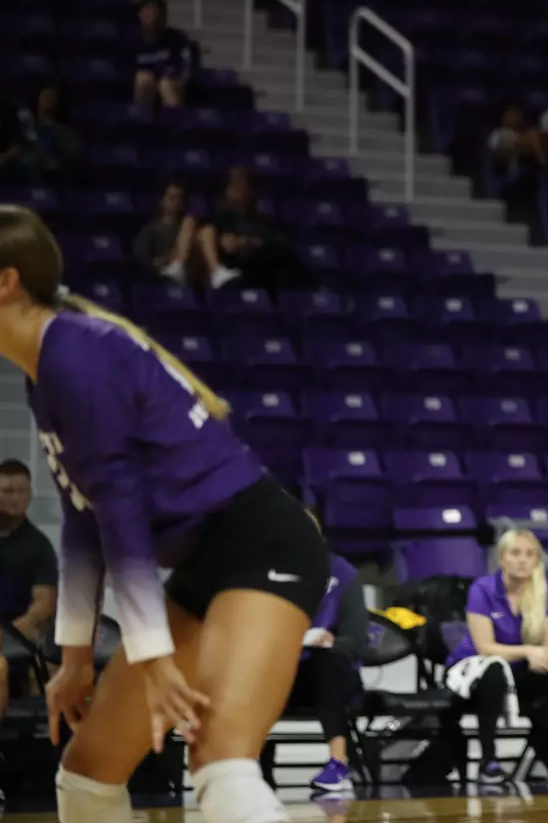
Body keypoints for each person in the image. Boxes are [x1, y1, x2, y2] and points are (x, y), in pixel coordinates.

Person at [0, 205, 331, 823]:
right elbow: (84, 519)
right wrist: (74, 659)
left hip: (263, 546)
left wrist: (153, 659)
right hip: (203, 564)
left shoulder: (77, 356)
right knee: (86, 772)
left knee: (221, 766)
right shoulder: (45, 368)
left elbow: (121, 511)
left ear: (6, 281)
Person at [444, 527, 548, 783]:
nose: (522, 560)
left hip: (520, 668)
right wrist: (528, 651)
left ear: (537, 560)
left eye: (529, 554)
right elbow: (485, 647)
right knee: (493, 672)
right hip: (475, 670)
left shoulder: (546, 593)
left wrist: (538, 655)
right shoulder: (482, 589)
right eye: (515, 553)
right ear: (502, 559)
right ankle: (488, 761)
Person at [286, 512, 367, 794]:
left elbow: (356, 638)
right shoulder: (269, 574)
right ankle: (245, 764)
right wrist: (303, 639)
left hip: (330, 674)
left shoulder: (342, 572)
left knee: (328, 664)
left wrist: (328, 643)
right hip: (281, 672)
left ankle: (338, 763)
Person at [0, 458, 57, 719]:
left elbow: (43, 607)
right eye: (7, 492)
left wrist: (6, 637)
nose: (15, 498)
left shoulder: (39, 547)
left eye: (21, 492)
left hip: (16, 644)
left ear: (30, 496)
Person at [133, 182, 204, 287]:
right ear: (162, 201)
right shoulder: (150, 229)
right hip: (161, 279)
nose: (176, 203)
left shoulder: (189, 228)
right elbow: (141, 258)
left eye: (179, 199)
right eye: (172, 198)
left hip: (188, 280)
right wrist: (159, 262)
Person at [134, 0, 196, 108]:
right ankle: (141, 121)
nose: (153, 19)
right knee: (144, 80)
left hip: (170, 83)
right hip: (140, 85)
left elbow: (184, 67)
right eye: (149, 14)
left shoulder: (177, 39)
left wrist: (168, 75)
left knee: (166, 85)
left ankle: (174, 122)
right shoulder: (131, 41)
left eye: (158, 15)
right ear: (140, 15)